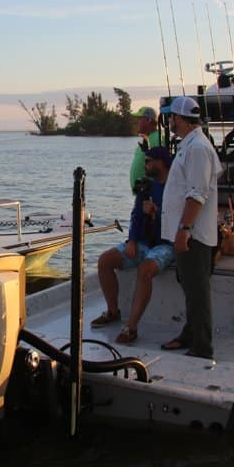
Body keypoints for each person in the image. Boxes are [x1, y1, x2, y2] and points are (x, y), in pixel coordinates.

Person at [159, 96, 223, 359]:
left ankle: (202, 347)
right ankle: (190, 334)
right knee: (189, 287)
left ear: (181, 119)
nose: (169, 121)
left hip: (193, 234)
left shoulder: (197, 148)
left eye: (171, 117)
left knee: (197, 290)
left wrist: (184, 229)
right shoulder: (191, 144)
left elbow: (197, 194)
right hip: (187, 232)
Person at [92, 146, 175, 344]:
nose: (145, 165)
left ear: (161, 163)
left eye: (149, 161)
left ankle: (131, 327)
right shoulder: (146, 187)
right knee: (105, 260)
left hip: (166, 243)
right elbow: (136, 215)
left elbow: (177, 224)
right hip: (144, 241)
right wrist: (132, 239)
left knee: (145, 270)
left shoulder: (175, 188)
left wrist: (157, 213)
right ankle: (113, 310)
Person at [129, 106, 161, 194]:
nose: (136, 122)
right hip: (141, 193)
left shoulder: (158, 138)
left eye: (139, 119)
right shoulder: (146, 139)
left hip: (150, 194)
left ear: (149, 120)